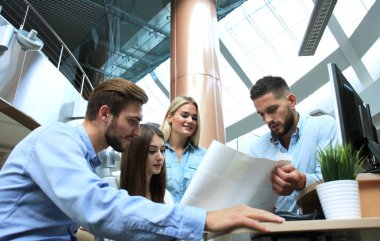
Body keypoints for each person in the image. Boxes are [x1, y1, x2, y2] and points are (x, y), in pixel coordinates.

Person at [0, 77, 284, 240]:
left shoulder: (84, 159)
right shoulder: (55, 138)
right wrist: (204, 219)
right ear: (104, 114)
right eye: (133, 121)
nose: (138, 132)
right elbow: (100, 210)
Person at [248, 76, 338, 214]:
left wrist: (302, 181)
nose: (268, 120)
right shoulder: (257, 149)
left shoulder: (323, 125)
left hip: (320, 227)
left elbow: (333, 181)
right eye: (262, 114)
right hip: (275, 230)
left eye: (272, 109)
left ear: (291, 101)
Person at [105, 123, 174, 205]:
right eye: (152, 151)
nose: (160, 157)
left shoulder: (165, 197)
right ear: (134, 153)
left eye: (162, 150)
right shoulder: (108, 188)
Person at [161, 96, 206, 203]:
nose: (190, 121)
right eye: (184, 115)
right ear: (169, 117)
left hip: (195, 217)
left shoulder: (204, 155)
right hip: (164, 217)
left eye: (194, 118)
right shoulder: (155, 152)